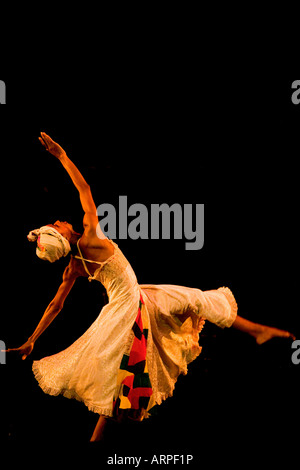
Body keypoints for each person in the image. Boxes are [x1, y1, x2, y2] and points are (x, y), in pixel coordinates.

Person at [6, 133, 296, 442]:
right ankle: (256, 332)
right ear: (61, 236)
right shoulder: (91, 236)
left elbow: (55, 305)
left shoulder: (73, 267)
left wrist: (32, 340)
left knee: (183, 312)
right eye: (56, 225)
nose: (59, 221)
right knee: (127, 373)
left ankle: (256, 331)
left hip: (136, 298)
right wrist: (62, 156)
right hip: (130, 309)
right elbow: (85, 188)